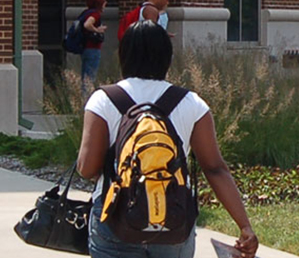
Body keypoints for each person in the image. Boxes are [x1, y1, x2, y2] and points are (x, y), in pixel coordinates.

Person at [75, 23, 260, 258]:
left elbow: (87, 168)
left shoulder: (104, 100)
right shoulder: (191, 103)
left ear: (123, 55)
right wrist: (244, 226)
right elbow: (215, 169)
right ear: (167, 58)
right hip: (173, 221)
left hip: (115, 221)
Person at [76, 0, 108, 85]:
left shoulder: (86, 12)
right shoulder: (95, 14)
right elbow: (87, 24)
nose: (106, 3)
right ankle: (87, 97)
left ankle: (83, 96)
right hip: (93, 48)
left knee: (85, 77)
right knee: (90, 78)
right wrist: (97, 30)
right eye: (104, 1)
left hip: (85, 47)